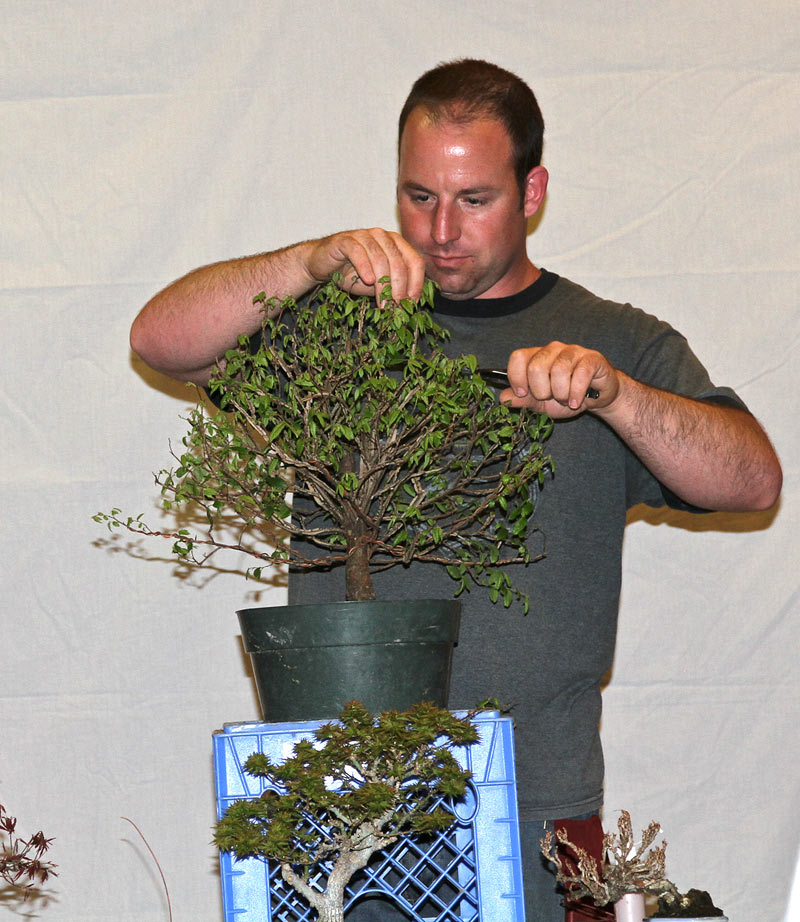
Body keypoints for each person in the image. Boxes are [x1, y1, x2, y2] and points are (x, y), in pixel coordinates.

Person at [130, 60, 782, 921]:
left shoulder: (613, 341)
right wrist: (308, 261)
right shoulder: (333, 332)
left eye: (474, 199)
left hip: (539, 802)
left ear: (532, 189)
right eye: (418, 196)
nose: (441, 230)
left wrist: (614, 396)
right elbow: (160, 339)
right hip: (341, 808)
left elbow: (753, 477)